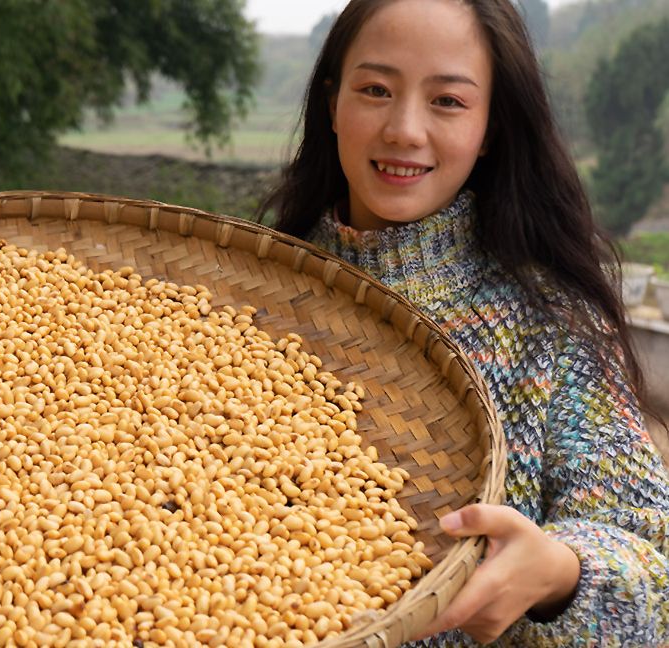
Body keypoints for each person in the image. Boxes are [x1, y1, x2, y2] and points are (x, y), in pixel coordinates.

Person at [259, 0, 669, 645]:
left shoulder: (550, 328)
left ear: (492, 126)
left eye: (448, 101)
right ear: (332, 104)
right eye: (375, 90)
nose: (404, 129)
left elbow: (650, 573)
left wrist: (561, 574)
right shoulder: (241, 295)